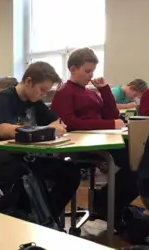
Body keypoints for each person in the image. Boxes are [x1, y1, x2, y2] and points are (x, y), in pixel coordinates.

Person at [0, 61, 80, 221]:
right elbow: (4, 130)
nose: (43, 95)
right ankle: (8, 216)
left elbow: (57, 122)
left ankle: (46, 219)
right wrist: (46, 130)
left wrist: (52, 127)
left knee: (71, 173)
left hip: (23, 156)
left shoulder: (35, 102)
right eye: (42, 90)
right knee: (27, 176)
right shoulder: (6, 97)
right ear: (28, 82)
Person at [51, 47, 138, 229]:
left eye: (93, 71)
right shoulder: (65, 91)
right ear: (73, 69)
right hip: (82, 144)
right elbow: (69, 123)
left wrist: (105, 90)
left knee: (139, 161)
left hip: (101, 139)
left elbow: (112, 115)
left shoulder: (90, 92)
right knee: (134, 165)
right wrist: (109, 125)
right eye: (87, 71)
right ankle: (107, 203)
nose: (91, 76)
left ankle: (109, 202)